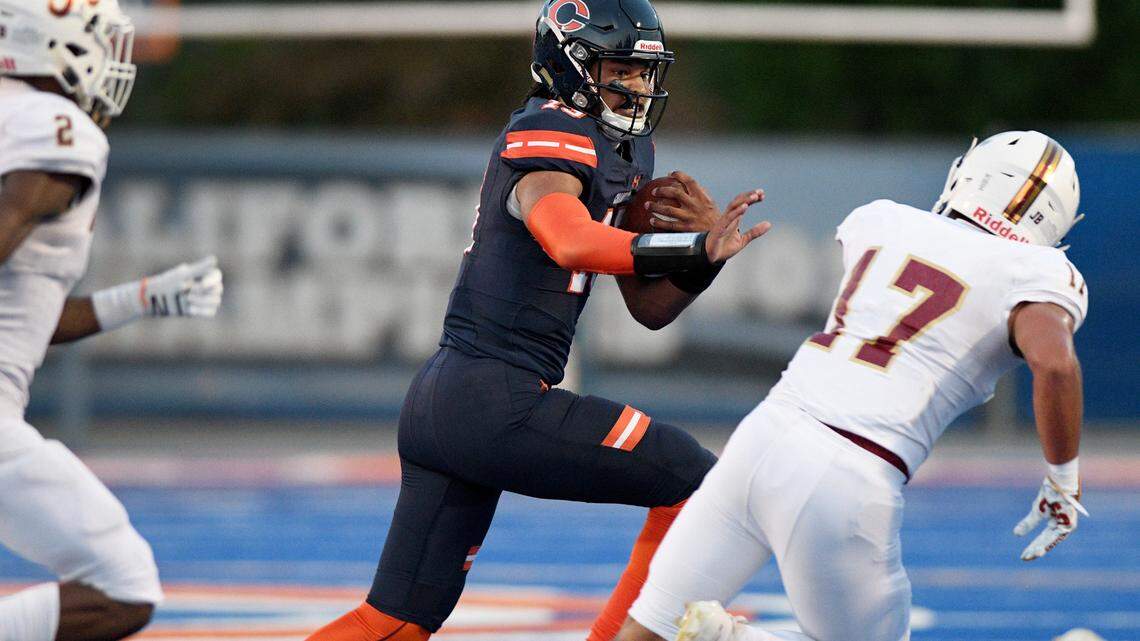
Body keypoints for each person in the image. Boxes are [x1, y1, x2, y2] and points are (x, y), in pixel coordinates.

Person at [305, 0, 770, 640]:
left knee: (396, 623)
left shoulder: (621, 148)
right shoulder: (551, 129)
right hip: (495, 397)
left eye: (644, 72)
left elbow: (650, 309)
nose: (638, 86)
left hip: (455, 398)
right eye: (621, 71)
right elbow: (570, 241)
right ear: (570, 66)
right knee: (693, 484)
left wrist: (702, 261)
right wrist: (688, 245)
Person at [616, 131, 1094, 641]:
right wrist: (1062, 477)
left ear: (967, 174)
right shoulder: (1038, 271)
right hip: (853, 469)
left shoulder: (882, 219)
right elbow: (1055, 364)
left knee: (648, 631)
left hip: (764, 436)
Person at [0, 2, 224, 639]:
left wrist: (141, 298)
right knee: (122, 585)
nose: (105, 58)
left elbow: (26, 315)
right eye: (93, 40)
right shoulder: (54, 128)